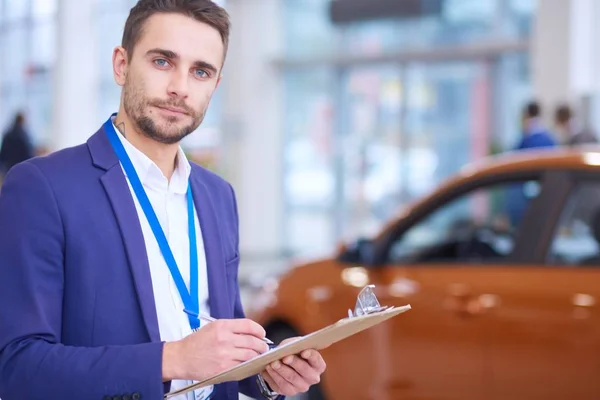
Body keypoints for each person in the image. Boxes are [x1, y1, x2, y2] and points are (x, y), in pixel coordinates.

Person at [0, 1, 326, 400]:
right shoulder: (43, 188)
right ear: (121, 65)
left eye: (200, 71)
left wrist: (267, 374)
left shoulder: (218, 196)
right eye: (162, 62)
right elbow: (17, 367)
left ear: (216, 85)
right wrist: (172, 359)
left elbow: (221, 349)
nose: (180, 88)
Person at [0, 112, 34, 176]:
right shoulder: (24, 136)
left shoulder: (8, 135)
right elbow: (28, 154)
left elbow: (2, 154)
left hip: (8, 168)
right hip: (21, 167)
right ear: (22, 121)